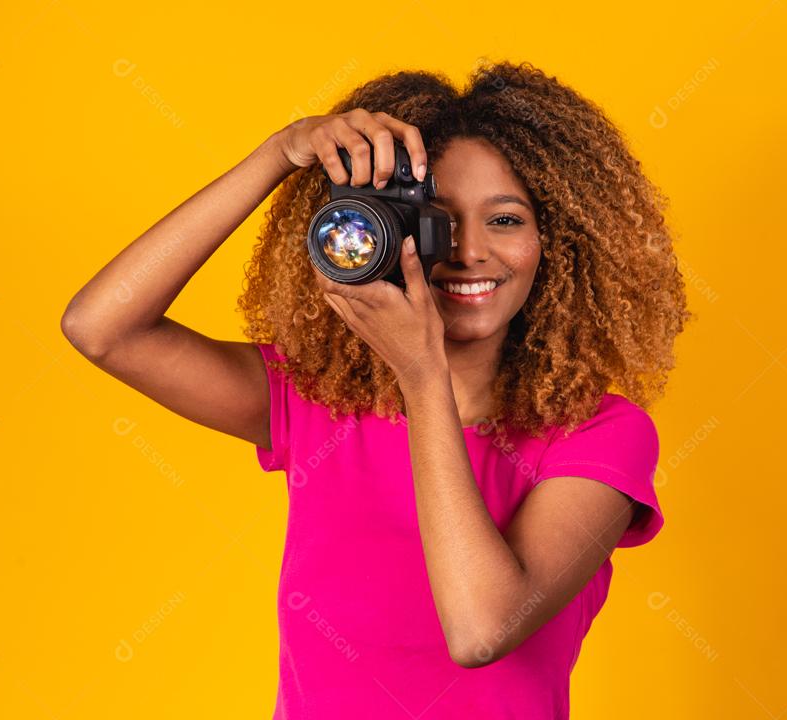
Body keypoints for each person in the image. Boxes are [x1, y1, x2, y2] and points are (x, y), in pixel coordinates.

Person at [61, 59, 692, 719]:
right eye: (438, 221)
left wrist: (423, 375)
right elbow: (102, 327)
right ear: (383, 235)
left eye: (505, 220)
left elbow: (481, 628)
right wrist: (278, 155)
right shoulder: (318, 403)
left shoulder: (600, 436)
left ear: (556, 242)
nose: (469, 250)